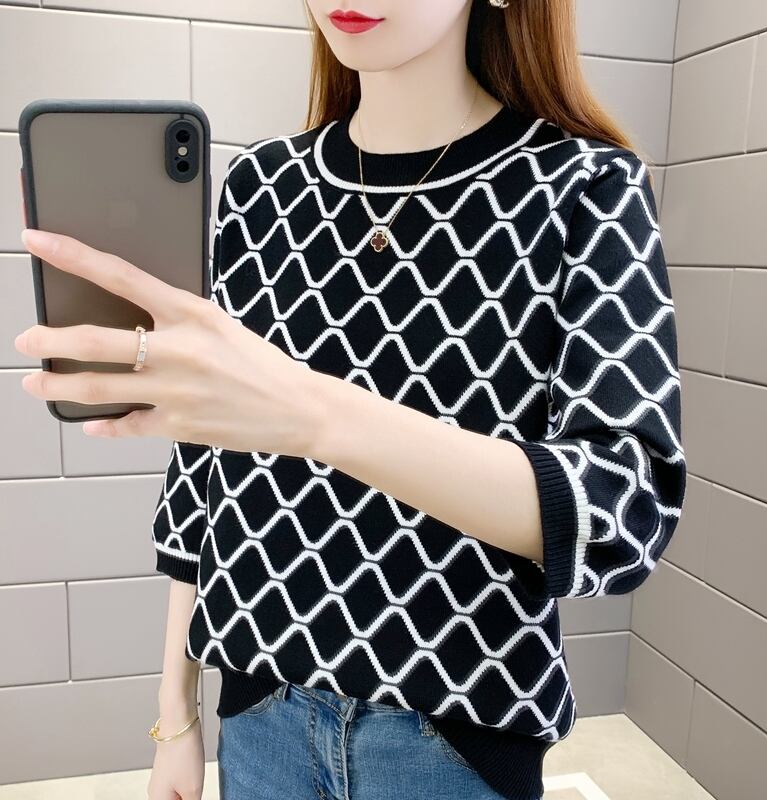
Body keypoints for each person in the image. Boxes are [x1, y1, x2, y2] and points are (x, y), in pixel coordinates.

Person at [14, 1, 684, 799]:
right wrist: (175, 715)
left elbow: (621, 510)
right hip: (260, 717)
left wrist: (312, 415)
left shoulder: (584, 185)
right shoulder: (261, 189)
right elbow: (201, 479)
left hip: (454, 746)